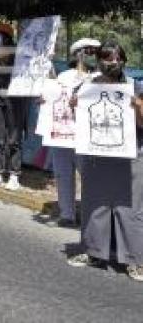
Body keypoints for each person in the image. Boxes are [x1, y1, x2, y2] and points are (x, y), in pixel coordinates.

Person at [67, 41, 143, 282]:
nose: (112, 63)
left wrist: (138, 106)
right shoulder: (88, 86)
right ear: (99, 60)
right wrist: (74, 105)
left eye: (117, 58)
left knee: (130, 209)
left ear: (124, 61)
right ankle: (93, 252)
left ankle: (135, 260)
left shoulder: (135, 86)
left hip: (130, 157)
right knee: (95, 204)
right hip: (97, 156)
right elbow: (77, 118)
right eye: (107, 58)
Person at [48, 38, 100, 228]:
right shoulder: (64, 77)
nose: (94, 55)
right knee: (63, 175)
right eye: (90, 51)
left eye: (96, 51)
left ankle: (92, 216)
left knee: (90, 177)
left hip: (87, 138)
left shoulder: (101, 77)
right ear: (78, 54)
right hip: (62, 135)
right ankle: (67, 215)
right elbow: (53, 99)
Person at [0, 22, 29, 191]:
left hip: (14, 98)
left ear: (6, 37)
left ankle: (15, 175)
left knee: (14, 138)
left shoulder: (19, 53)